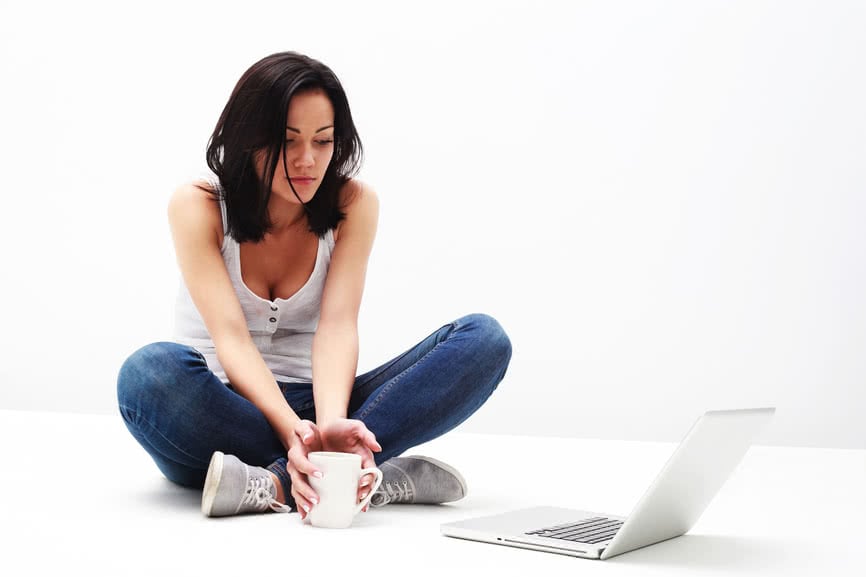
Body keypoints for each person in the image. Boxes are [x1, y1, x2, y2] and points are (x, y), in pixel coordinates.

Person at [116, 51, 512, 520]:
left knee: (483, 340)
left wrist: (328, 425)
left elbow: (338, 328)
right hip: (216, 410)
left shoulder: (353, 204)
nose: (308, 160)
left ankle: (281, 480)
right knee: (149, 374)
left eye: (323, 141)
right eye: (288, 142)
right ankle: (358, 473)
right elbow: (231, 339)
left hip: (319, 400)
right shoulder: (198, 205)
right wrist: (294, 433)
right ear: (248, 140)